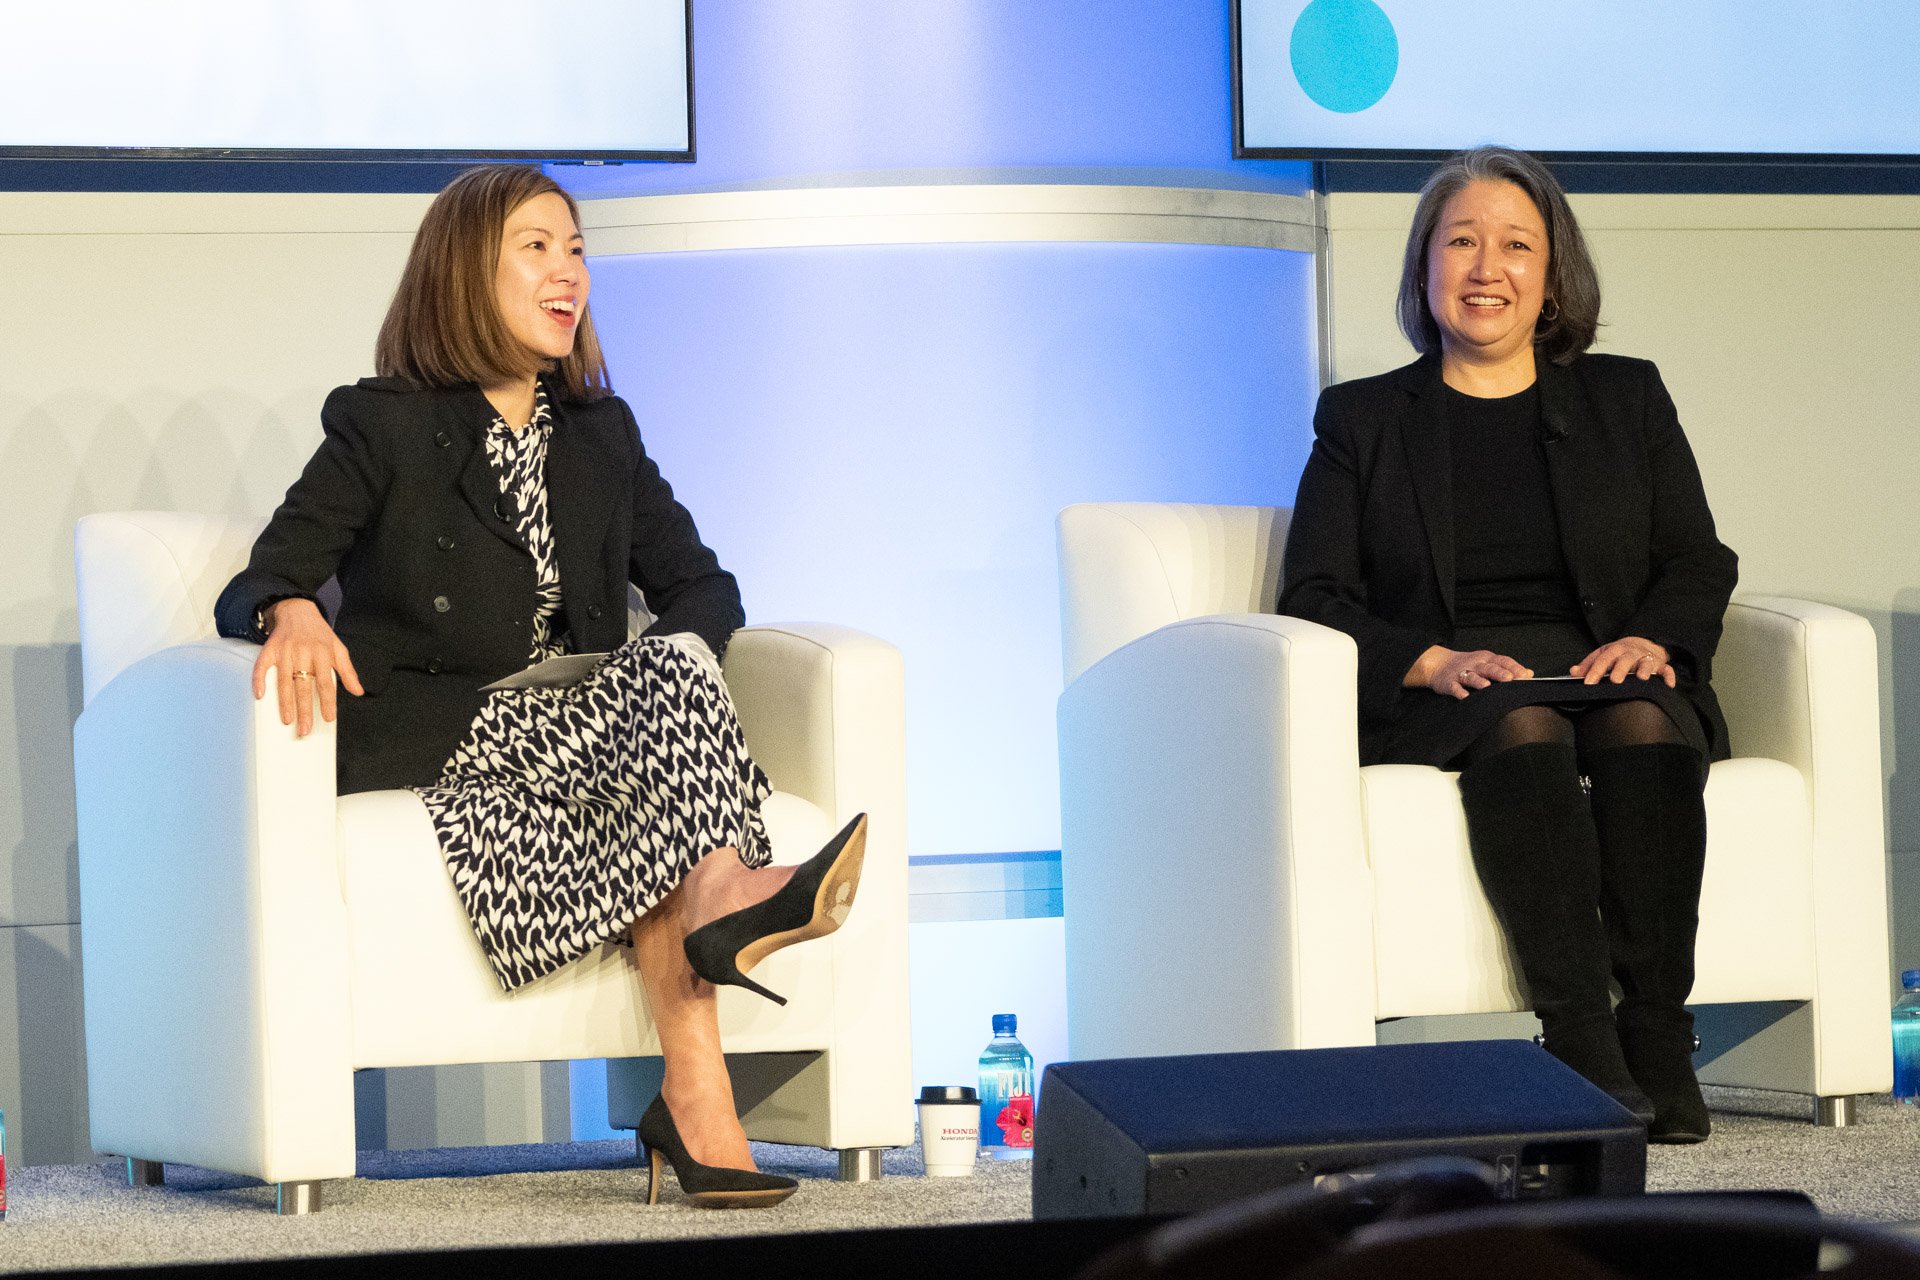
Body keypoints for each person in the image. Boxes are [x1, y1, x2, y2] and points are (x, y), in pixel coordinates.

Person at [214, 165, 868, 1206]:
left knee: (678, 659)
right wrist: (290, 609)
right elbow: (265, 571)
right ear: (467, 270)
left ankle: (696, 1088)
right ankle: (725, 906)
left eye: (576, 249)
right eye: (536, 247)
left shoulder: (602, 435)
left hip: (586, 724)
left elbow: (705, 583)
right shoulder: (382, 423)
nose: (568, 273)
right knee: (669, 745)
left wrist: (662, 662)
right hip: (444, 731)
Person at [1279, 146, 1737, 1143]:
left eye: (1516, 245)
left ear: (1553, 273)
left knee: (1643, 713)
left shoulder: (1629, 397)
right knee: (1520, 715)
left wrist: (1651, 638)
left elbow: (1699, 559)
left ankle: (1659, 1033)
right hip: (1452, 685)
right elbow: (1312, 591)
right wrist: (1427, 659)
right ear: (1425, 267)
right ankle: (1580, 1036)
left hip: (1602, 660)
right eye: (1463, 242)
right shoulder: (1362, 418)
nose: (1488, 268)